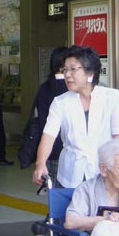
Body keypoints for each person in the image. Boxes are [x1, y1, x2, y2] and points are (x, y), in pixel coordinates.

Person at [33, 45, 119, 188]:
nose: (67, 74)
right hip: (70, 175)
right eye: (65, 69)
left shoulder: (112, 98)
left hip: (103, 172)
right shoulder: (60, 102)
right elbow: (48, 135)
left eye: (73, 69)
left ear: (90, 73)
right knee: (69, 209)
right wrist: (40, 164)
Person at [32, 47, 68, 181]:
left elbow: (41, 118)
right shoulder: (70, 88)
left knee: (55, 193)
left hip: (48, 148)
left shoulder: (44, 87)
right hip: (66, 149)